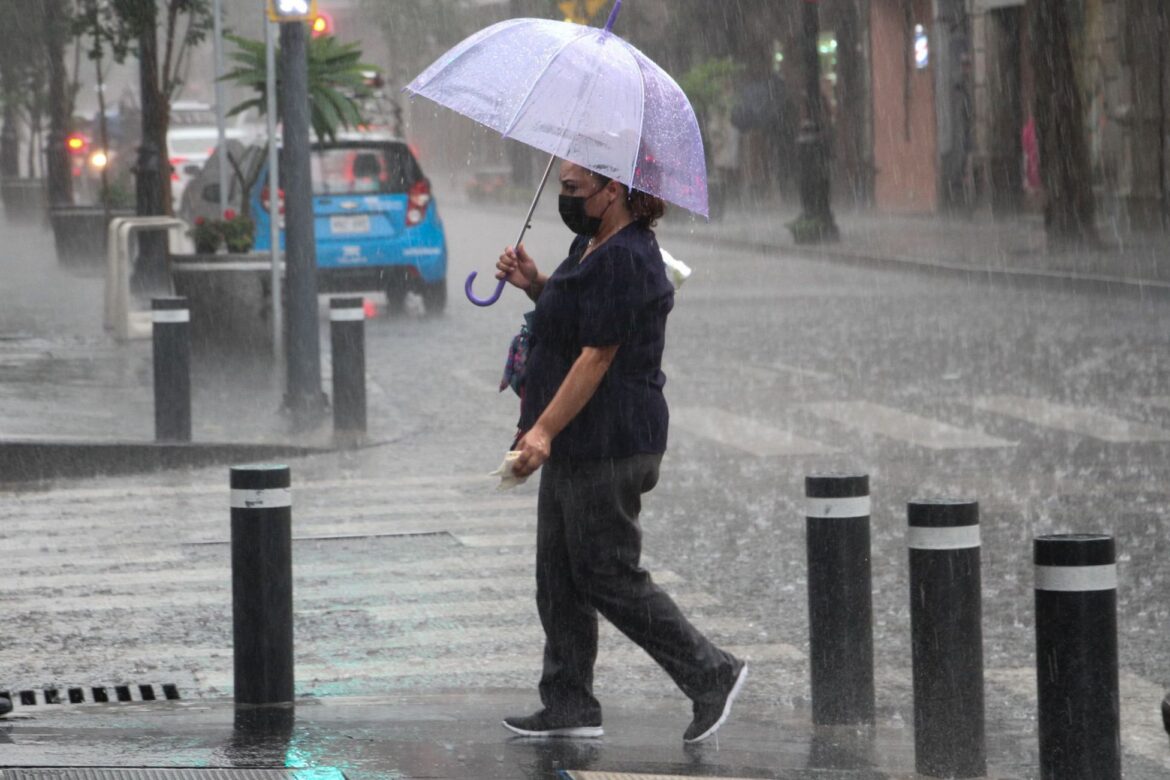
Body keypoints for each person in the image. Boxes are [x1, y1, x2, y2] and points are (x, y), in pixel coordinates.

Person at [494, 161, 747, 743]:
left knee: (607, 573)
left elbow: (597, 355)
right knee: (557, 573)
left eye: (575, 189)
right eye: (561, 187)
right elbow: (571, 319)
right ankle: (568, 701)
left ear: (614, 193)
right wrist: (535, 283)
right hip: (580, 439)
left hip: (612, 440)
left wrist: (543, 431)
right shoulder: (589, 245)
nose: (567, 197)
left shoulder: (628, 258)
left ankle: (711, 673)